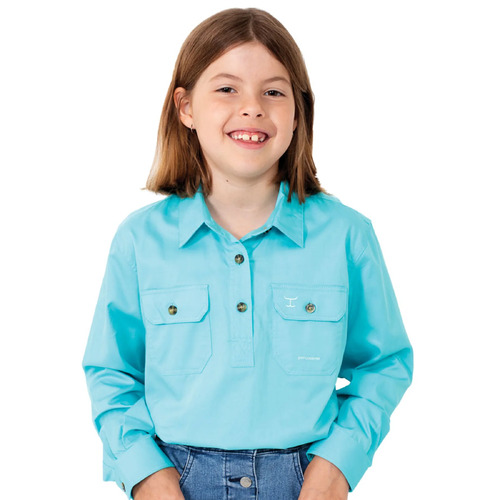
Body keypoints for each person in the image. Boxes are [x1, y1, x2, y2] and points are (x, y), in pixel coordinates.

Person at [82, 7, 413, 500]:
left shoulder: (347, 235)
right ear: (185, 108)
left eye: (274, 92)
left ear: (298, 112)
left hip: (305, 479)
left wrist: (337, 465)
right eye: (227, 89)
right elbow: (111, 372)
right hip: (176, 479)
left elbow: (384, 363)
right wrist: (145, 473)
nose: (252, 108)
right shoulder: (140, 240)